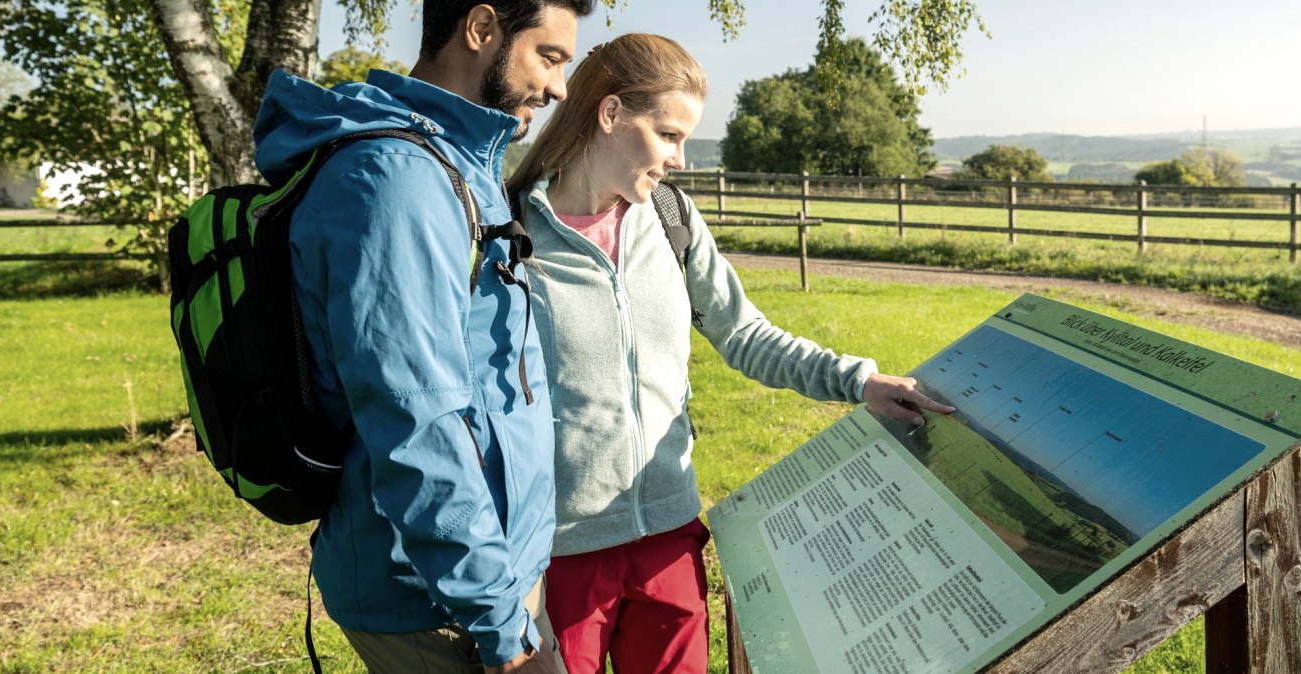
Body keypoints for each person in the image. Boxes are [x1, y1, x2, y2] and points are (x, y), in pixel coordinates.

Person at [504, 33, 955, 674]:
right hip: (560, 554)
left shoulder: (671, 219)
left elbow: (745, 334)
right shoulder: (513, 233)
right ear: (609, 115)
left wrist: (860, 381)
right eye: (667, 135)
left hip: (670, 538)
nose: (680, 158)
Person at [251, 1, 594, 671]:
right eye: (549, 57)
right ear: (481, 28)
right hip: (439, 602)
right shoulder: (396, 184)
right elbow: (418, 426)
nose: (559, 88)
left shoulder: (456, 158)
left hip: (491, 570)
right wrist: (503, 629)